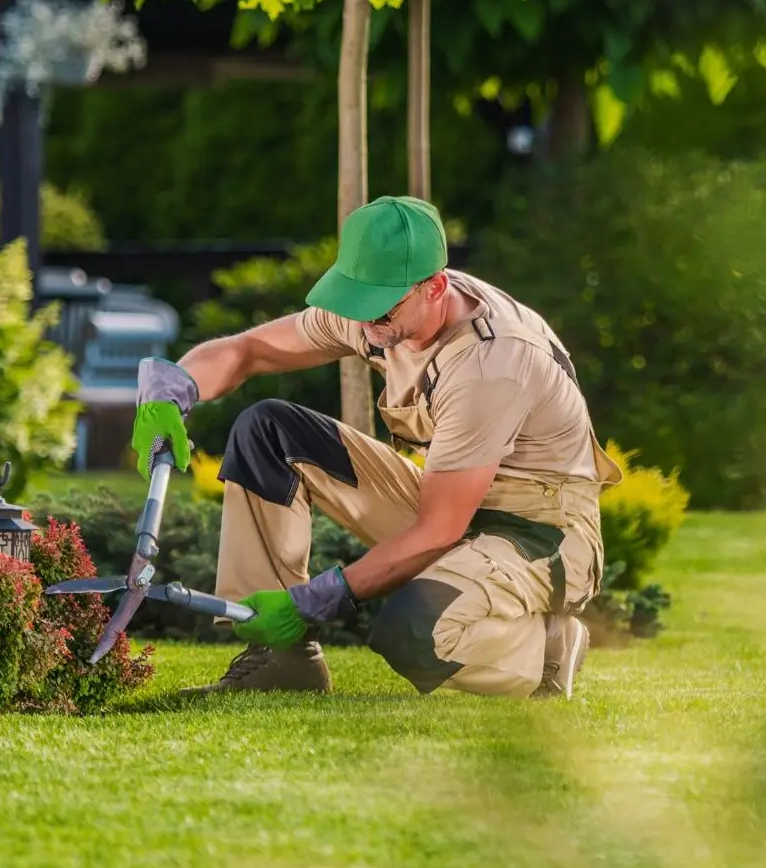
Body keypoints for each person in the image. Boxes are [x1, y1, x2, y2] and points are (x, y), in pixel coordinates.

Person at [132, 195, 622, 700]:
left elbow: (438, 531)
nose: (366, 322)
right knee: (269, 431)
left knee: (412, 631)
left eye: (381, 306)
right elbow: (249, 350)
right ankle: (283, 663)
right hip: (453, 497)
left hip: (541, 531)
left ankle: (546, 647)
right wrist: (175, 386)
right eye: (356, 300)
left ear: (435, 288)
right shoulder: (379, 310)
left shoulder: (490, 363)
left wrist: (309, 602)